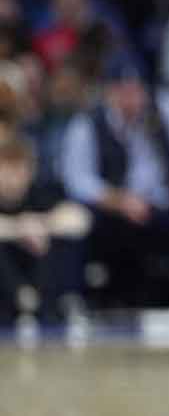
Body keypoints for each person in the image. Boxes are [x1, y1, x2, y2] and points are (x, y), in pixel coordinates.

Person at [58, 55, 169, 307]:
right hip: (113, 213)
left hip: (160, 206)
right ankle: (71, 303)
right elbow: (76, 179)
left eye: (137, 91)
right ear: (109, 92)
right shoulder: (88, 122)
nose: (132, 99)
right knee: (75, 216)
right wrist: (117, 200)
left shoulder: (164, 108)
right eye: (123, 91)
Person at [0, 135, 90, 329]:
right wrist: (19, 227)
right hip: (6, 290)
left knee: (58, 243)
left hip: (40, 279)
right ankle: (22, 297)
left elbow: (80, 220)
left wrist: (41, 224)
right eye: (7, 169)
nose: (13, 177)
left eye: (19, 169)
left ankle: (62, 302)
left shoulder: (41, 193)